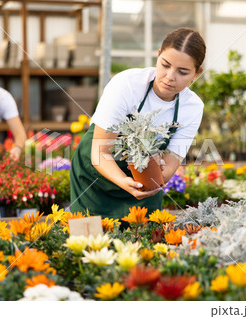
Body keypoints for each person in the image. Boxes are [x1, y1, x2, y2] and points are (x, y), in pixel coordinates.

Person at [70, 27, 206, 220]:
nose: (170, 77)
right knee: (91, 241)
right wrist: (124, 181)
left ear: (197, 73)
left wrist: (154, 181)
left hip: (144, 188)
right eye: (165, 65)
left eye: (182, 72)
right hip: (96, 179)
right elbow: (100, 152)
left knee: (145, 243)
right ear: (158, 56)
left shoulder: (192, 107)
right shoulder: (127, 85)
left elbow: (170, 164)